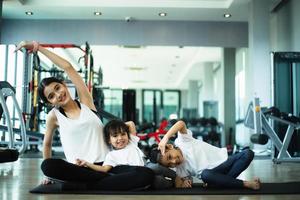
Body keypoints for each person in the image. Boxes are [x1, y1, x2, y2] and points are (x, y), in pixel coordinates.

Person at [15, 41, 154, 190]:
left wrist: (38, 48)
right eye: (52, 96)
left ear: (63, 84)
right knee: (48, 166)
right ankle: (102, 183)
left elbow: (67, 67)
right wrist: (47, 176)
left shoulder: (86, 102)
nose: (58, 94)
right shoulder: (54, 116)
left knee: (145, 173)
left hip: (106, 166)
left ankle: (89, 185)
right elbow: (47, 144)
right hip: (79, 168)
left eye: (58, 88)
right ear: (50, 103)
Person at [149, 120, 261, 190]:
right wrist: (185, 183)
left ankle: (222, 184)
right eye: (170, 165)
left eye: (170, 157)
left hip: (225, 163)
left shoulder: (183, 140)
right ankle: (245, 184)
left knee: (248, 153)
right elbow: (182, 182)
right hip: (211, 175)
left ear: (169, 146)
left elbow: (180, 123)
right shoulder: (179, 169)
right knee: (206, 175)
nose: (174, 162)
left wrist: (165, 138)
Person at [76, 119, 176, 189]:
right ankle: (174, 183)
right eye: (115, 136)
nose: (120, 138)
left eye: (123, 134)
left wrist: (118, 126)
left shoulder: (131, 142)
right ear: (109, 140)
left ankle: (177, 177)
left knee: (156, 167)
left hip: (147, 167)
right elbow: (104, 169)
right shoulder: (111, 155)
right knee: (158, 181)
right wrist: (87, 164)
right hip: (138, 175)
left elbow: (131, 124)